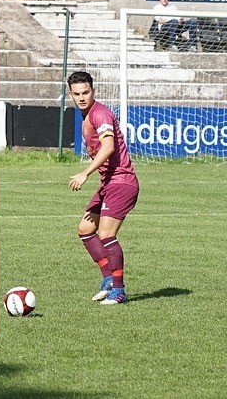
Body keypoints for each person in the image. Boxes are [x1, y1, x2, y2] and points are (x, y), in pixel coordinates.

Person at [67, 71, 139, 305]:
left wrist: (85, 172)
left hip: (122, 181)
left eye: (85, 92)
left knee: (107, 234)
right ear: (70, 94)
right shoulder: (86, 117)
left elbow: (108, 147)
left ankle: (119, 290)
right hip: (109, 182)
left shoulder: (100, 113)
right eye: (77, 94)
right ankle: (108, 277)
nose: (81, 97)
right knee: (86, 229)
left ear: (93, 92)